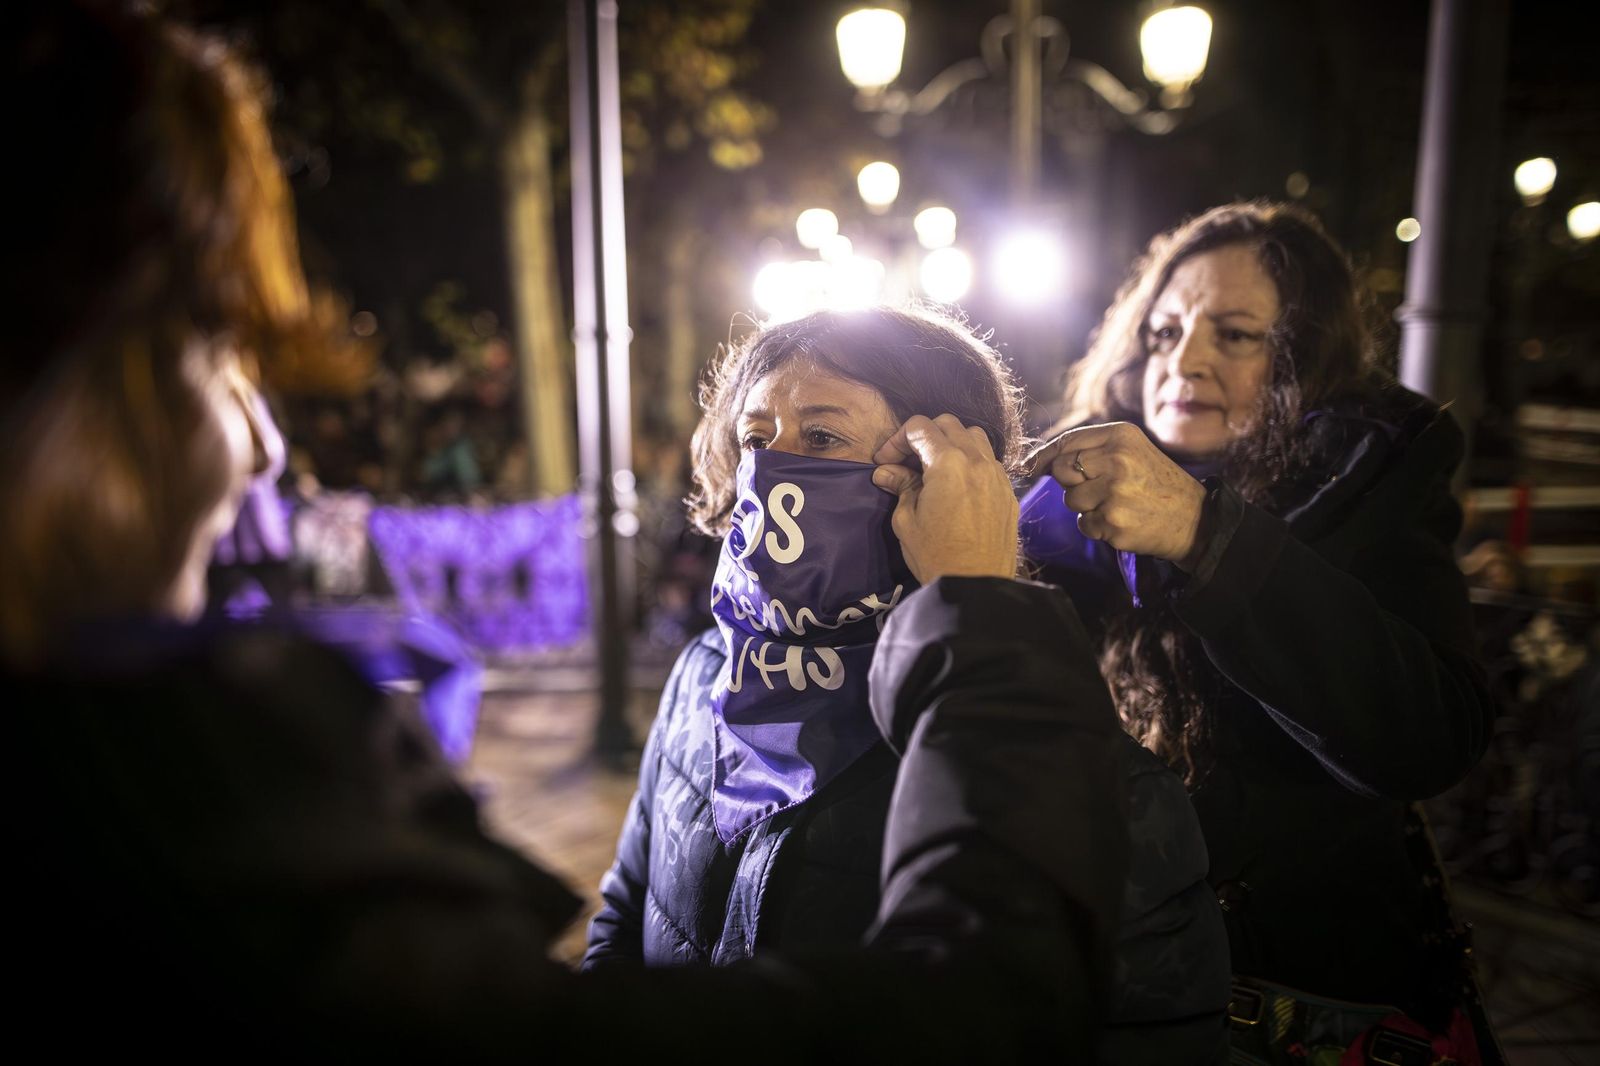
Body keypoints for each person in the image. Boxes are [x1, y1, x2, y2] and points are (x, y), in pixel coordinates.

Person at [5, 3, 1137, 1059]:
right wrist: (983, 620)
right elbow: (971, 1007)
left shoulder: (1091, 751)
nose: (259, 443)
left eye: (824, 436)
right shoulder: (195, 799)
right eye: (217, 344)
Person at [583, 307, 1232, 1061]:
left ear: (941, 478)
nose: (769, 469)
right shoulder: (702, 677)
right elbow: (626, 915)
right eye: (755, 439)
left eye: (822, 438)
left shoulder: (1095, 784)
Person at [1021, 201, 1500, 1061]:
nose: (1185, 360)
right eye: (1163, 333)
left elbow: (1432, 737)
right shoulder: (1065, 515)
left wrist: (1208, 538)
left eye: (1235, 335)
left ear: (1303, 358)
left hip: (1289, 1013)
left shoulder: (1371, 485)